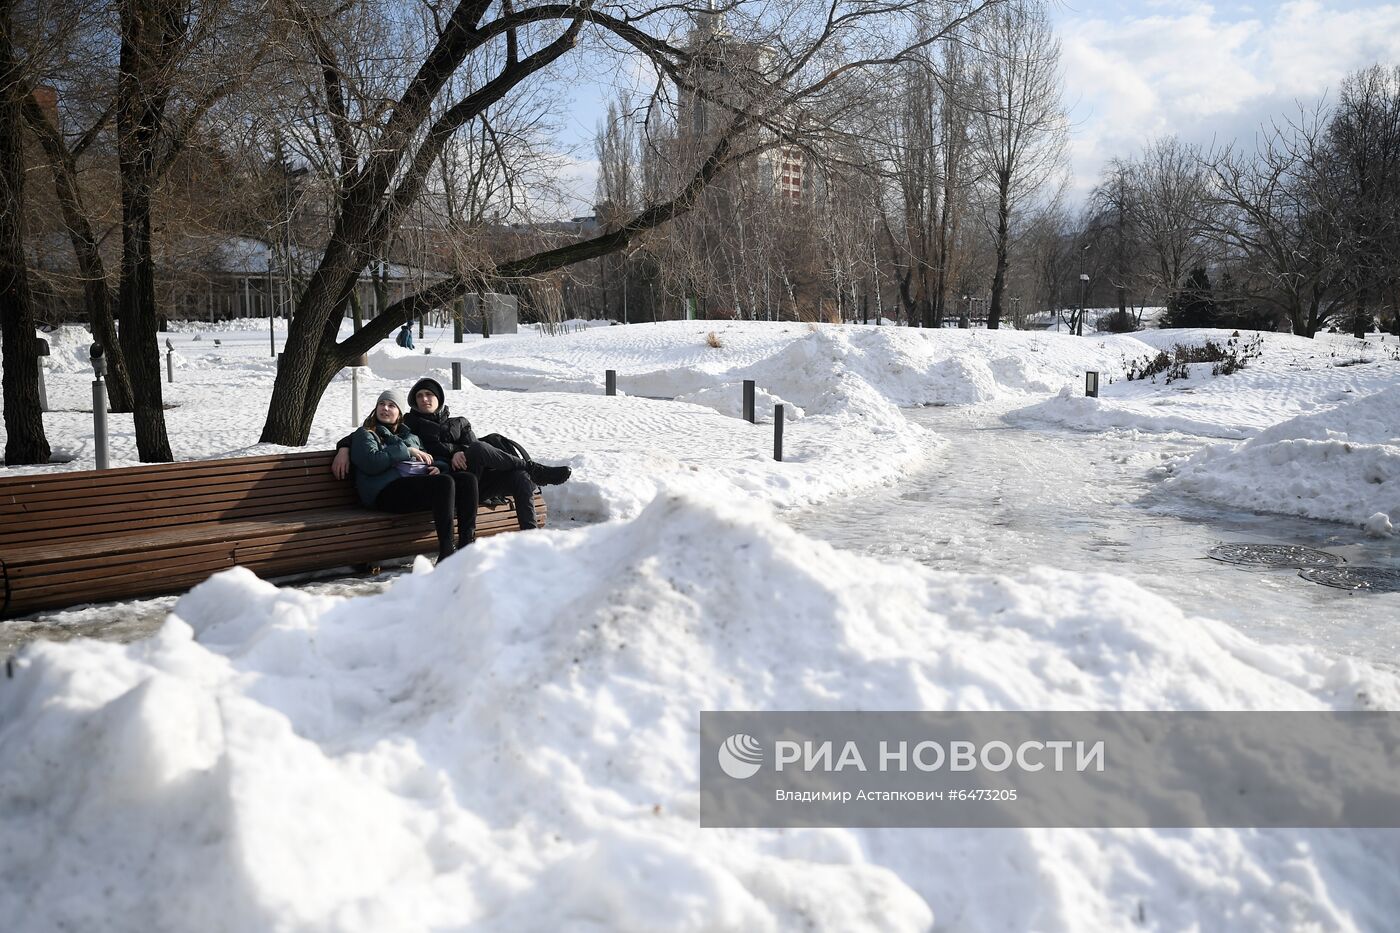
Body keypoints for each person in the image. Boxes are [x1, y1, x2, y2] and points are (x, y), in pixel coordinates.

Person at [332, 377, 570, 531]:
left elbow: (476, 448)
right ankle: (532, 467)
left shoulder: (460, 422)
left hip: (476, 477)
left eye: (429, 395)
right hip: (454, 484)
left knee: (517, 477)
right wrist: (343, 447)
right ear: (413, 404)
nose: (425, 399)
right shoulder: (411, 426)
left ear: (439, 398)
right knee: (483, 452)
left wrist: (461, 451)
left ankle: (532, 538)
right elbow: (368, 433)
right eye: (419, 396)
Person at [349, 388, 477, 562]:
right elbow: (371, 463)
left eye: (391, 405)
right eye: (381, 404)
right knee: (444, 483)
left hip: (411, 486)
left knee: (467, 479)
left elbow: (430, 458)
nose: (385, 408)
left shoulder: (410, 436)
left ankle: (467, 545)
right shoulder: (366, 434)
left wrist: (439, 468)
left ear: (400, 413)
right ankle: (447, 551)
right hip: (382, 492)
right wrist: (406, 451)